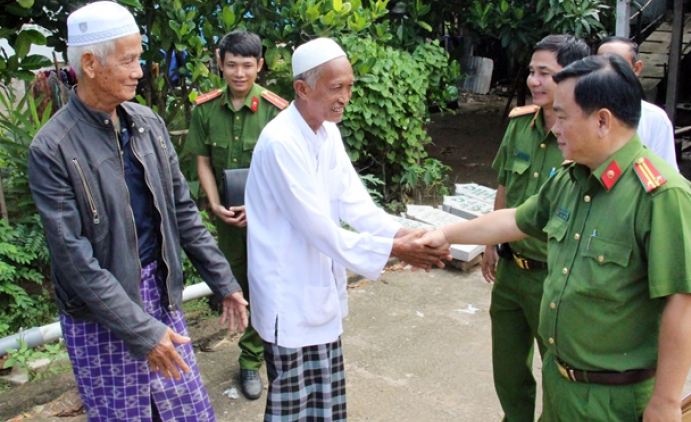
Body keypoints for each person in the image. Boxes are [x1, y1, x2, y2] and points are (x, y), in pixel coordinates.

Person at [419, 54, 691, 422]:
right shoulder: (572, 179)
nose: (555, 128)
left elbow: (683, 302)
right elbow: (515, 220)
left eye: (565, 117)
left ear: (602, 121)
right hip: (561, 388)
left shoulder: (662, 196)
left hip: (615, 401)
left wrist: (665, 403)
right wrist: (443, 233)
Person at [28, 3, 248, 421]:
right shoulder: (53, 148)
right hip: (100, 313)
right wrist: (142, 332)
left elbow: (182, 212)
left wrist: (223, 280)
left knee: (189, 413)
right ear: (90, 64)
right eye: (128, 60)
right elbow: (75, 261)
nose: (139, 71)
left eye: (138, 58)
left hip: (160, 293)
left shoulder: (146, 123)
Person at [244, 37, 451, 421]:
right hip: (287, 293)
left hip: (316, 288)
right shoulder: (280, 142)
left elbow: (357, 205)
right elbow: (319, 229)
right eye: (336, 87)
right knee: (293, 406)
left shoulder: (327, 132)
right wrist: (397, 250)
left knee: (326, 401)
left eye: (350, 86)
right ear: (303, 89)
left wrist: (405, 236)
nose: (345, 97)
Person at [481, 34, 589, 422]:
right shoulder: (520, 124)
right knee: (508, 371)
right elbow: (506, 185)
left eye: (546, 72)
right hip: (512, 271)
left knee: (559, 375)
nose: (534, 81)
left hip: (555, 276)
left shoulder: (583, 134)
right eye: (531, 71)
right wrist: (491, 244)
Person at [185, 30, 287, 401]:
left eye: (247, 65)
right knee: (238, 284)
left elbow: (287, 172)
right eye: (232, 65)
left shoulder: (278, 111)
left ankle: (252, 359)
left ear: (260, 65)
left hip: (269, 220)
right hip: (227, 220)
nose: (239, 73)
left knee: (268, 284)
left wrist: (260, 208)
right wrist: (213, 205)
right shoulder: (205, 109)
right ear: (220, 63)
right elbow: (202, 162)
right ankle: (257, 345)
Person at [597, 36, 679, 170]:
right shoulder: (581, 112)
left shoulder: (655, 119)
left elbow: (666, 172)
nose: (607, 70)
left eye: (617, 64)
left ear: (636, 68)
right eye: (600, 63)